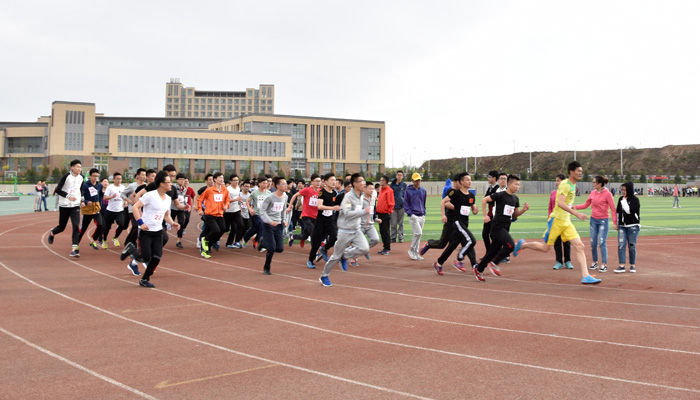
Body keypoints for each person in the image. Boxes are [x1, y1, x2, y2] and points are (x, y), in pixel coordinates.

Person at [515, 162, 602, 285]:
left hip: (566, 221)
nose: (581, 173)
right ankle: (523, 245)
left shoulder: (573, 185)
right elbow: (560, 203)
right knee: (545, 248)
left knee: (580, 246)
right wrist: (576, 214)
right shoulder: (565, 184)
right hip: (556, 220)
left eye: (581, 171)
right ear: (571, 172)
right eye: (578, 171)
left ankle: (585, 276)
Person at [129, 171, 180, 287]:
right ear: (161, 184)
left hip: (158, 231)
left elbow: (166, 215)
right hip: (146, 231)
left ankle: (144, 279)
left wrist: (173, 223)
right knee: (146, 256)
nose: (171, 184)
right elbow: (135, 207)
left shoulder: (167, 198)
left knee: (156, 257)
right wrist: (141, 223)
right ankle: (131, 250)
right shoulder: (150, 195)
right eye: (169, 182)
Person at [473, 174, 529, 281]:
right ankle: (494, 263)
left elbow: (515, 215)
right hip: (497, 227)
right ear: (509, 184)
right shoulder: (500, 195)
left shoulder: (515, 199)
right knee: (510, 246)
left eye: (518, 185)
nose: (517, 187)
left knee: (492, 252)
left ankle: (479, 269)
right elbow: (484, 200)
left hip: (505, 227)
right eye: (515, 184)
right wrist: (485, 215)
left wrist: (523, 210)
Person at [319, 173, 370, 287]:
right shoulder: (348, 197)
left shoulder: (361, 195)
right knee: (335, 256)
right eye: (361, 181)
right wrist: (363, 212)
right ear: (354, 184)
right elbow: (346, 213)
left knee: (365, 248)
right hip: (345, 231)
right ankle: (324, 275)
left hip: (356, 230)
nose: (363, 183)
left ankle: (345, 255)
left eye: (364, 181)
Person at [433, 172, 479, 275]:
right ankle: (465, 261)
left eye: (470, 179)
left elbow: (473, 210)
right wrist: (443, 215)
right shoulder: (456, 194)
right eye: (467, 179)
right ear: (461, 182)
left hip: (465, 223)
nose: (469, 181)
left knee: (452, 246)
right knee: (471, 240)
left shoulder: (471, 195)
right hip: (458, 223)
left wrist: (476, 211)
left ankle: (439, 263)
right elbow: (443, 202)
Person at [574, 175, 617, 273]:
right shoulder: (593, 193)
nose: (592, 184)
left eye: (594, 182)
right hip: (593, 220)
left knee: (602, 242)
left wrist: (615, 222)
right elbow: (586, 204)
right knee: (593, 242)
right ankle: (595, 262)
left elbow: (613, 208)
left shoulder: (607, 194)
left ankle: (604, 264)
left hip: (603, 221)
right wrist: (575, 207)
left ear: (599, 184)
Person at [47, 159, 83, 257]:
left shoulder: (81, 178)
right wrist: (68, 196)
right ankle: (52, 232)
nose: (79, 169)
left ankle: (74, 249)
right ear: (72, 167)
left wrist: (82, 201)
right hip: (64, 205)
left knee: (76, 226)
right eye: (77, 167)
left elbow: (81, 189)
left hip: (75, 205)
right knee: (62, 227)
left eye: (80, 167)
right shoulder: (66, 177)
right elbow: (58, 190)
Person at [420, 174, 461, 257]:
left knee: (460, 240)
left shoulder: (460, 192)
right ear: (456, 182)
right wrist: (456, 208)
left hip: (457, 222)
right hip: (450, 221)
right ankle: (429, 243)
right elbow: (445, 203)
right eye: (461, 182)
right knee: (442, 244)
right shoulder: (452, 191)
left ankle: (460, 258)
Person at [306, 173, 339, 269]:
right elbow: (319, 206)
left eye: (335, 180)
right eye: (331, 180)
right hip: (321, 221)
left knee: (335, 236)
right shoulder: (322, 192)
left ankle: (324, 248)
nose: (334, 182)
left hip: (330, 220)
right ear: (325, 182)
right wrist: (332, 208)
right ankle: (310, 260)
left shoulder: (335, 193)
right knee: (315, 243)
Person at [259, 176, 289, 275]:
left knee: (279, 249)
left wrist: (284, 220)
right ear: (277, 186)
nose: (285, 186)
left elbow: (284, 210)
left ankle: (263, 242)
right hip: (268, 225)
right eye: (283, 184)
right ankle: (267, 267)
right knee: (271, 248)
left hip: (279, 225)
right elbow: (262, 211)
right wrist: (269, 221)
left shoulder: (285, 196)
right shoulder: (270, 197)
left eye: (286, 184)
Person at [197, 172, 230, 259]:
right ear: (215, 179)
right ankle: (205, 241)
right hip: (210, 214)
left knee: (223, 229)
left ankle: (207, 244)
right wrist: (200, 209)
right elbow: (200, 199)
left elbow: (227, 200)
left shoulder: (225, 190)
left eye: (222, 177)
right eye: (219, 177)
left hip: (220, 214)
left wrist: (226, 205)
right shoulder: (209, 190)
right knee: (216, 231)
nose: (221, 179)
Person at [287, 174, 321, 250]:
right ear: (312, 182)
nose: (318, 183)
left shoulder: (320, 191)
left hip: (316, 216)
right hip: (306, 216)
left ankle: (292, 236)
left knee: (304, 236)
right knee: (313, 233)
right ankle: (316, 252)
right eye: (316, 181)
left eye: (319, 181)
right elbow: (294, 195)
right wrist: (290, 206)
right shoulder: (307, 190)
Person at [615, 181, 640, 273]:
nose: (623, 192)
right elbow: (618, 212)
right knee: (621, 245)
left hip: (633, 226)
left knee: (632, 246)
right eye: (622, 190)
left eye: (625, 190)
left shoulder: (635, 200)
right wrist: (617, 223)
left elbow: (629, 211)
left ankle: (632, 265)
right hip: (622, 226)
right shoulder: (621, 199)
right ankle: (621, 265)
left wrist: (624, 201)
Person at [77, 168, 104, 252]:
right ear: (90, 176)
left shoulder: (99, 185)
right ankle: (76, 244)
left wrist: (100, 205)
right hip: (87, 210)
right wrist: (85, 201)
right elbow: (80, 195)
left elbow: (100, 196)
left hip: (96, 209)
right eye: (94, 176)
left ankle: (93, 240)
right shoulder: (85, 185)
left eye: (97, 176)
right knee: (83, 228)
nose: (95, 178)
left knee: (100, 225)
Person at [549, 174, 572, 270]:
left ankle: (568, 261)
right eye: (556, 180)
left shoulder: (568, 193)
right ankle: (559, 262)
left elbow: (569, 206)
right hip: (555, 220)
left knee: (566, 242)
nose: (556, 183)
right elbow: (550, 206)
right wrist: (549, 218)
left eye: (558, 180)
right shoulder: (553, 193)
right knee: (557, 242)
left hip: (565, 220)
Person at [404, 172, 427, 260]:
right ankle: (411, 249)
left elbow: (423, 202)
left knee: (418, 235)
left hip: (421, 215)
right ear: (412, 181)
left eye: (419, 180)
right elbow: (406, 204)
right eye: (416, 180)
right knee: (418, 233)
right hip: (413, 215)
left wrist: (424, 212)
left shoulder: (423, 190)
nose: (418, 182)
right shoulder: (408, 191)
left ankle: (416, 253)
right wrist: (410, 214)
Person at [102, 172, 126, 248]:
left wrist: (125, 202)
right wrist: (112, 196)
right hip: (110, 210)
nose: (119, 180)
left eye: (120, 179)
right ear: (113, 179)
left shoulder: (123, 187)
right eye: (117, 179)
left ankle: (115, 237)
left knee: (122, 225)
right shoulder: (110, 187)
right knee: (107, 227)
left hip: (120, 210)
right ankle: (104, 240)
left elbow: (124, 196)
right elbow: (105, 198)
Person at [174, 173, 195, 248]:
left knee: (181, 222)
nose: (182, 181)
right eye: (180, 179)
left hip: (181, 208)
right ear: (177, 180)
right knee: (168, 223)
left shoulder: (185, 189)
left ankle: (179, 240)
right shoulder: (173, 188)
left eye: (183, 179)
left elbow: (185, 199)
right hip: (173, 208)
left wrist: (187, 206)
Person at [224, 174, 245, 249]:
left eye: (237, 180)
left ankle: (236, 242)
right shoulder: (227, 189)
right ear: (231, 181)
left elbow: (239, 199)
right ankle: (216, 240)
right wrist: (235, 199)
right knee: (225, 228)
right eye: (234, 180)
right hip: (228, 211)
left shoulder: (238, 188)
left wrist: (240, 204)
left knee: (240, 225)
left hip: (236, 210)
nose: (236, 182)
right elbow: (225, 200)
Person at [481, 170, 500, 252]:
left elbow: (491, 200)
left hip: (495, 214)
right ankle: (489, 252)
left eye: (489, 177)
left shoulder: (498, 188)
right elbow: (486, 198)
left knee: (493, 235)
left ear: (494, 178)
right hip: (489, 214)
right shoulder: (490, 188)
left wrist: (489, 198)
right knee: (485, 234)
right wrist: (489, 197)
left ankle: (498, 253)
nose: (488, 178)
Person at [376, 175, 395, 255]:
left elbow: (391, 202)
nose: (381, 182)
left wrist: (389, 211)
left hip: (385, 214)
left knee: (386, 231)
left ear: (386, 181)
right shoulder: (381, 190)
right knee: (382, 231)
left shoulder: (389, 190)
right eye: (380, 180)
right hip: (380, 213)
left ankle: (388, 248)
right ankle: (385, 247)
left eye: (382, 180)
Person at [389, 170, 407, 243]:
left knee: (401, 223)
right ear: (396, 176)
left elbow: (406, 195)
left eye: (401, 175)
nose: (399, 176)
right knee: (393, 223)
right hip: (393, 206)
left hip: (402, 206)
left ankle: (401, 237)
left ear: (402, 177)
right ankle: (393, 237)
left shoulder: (404, 185)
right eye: (398, 175)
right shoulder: (392, 185)